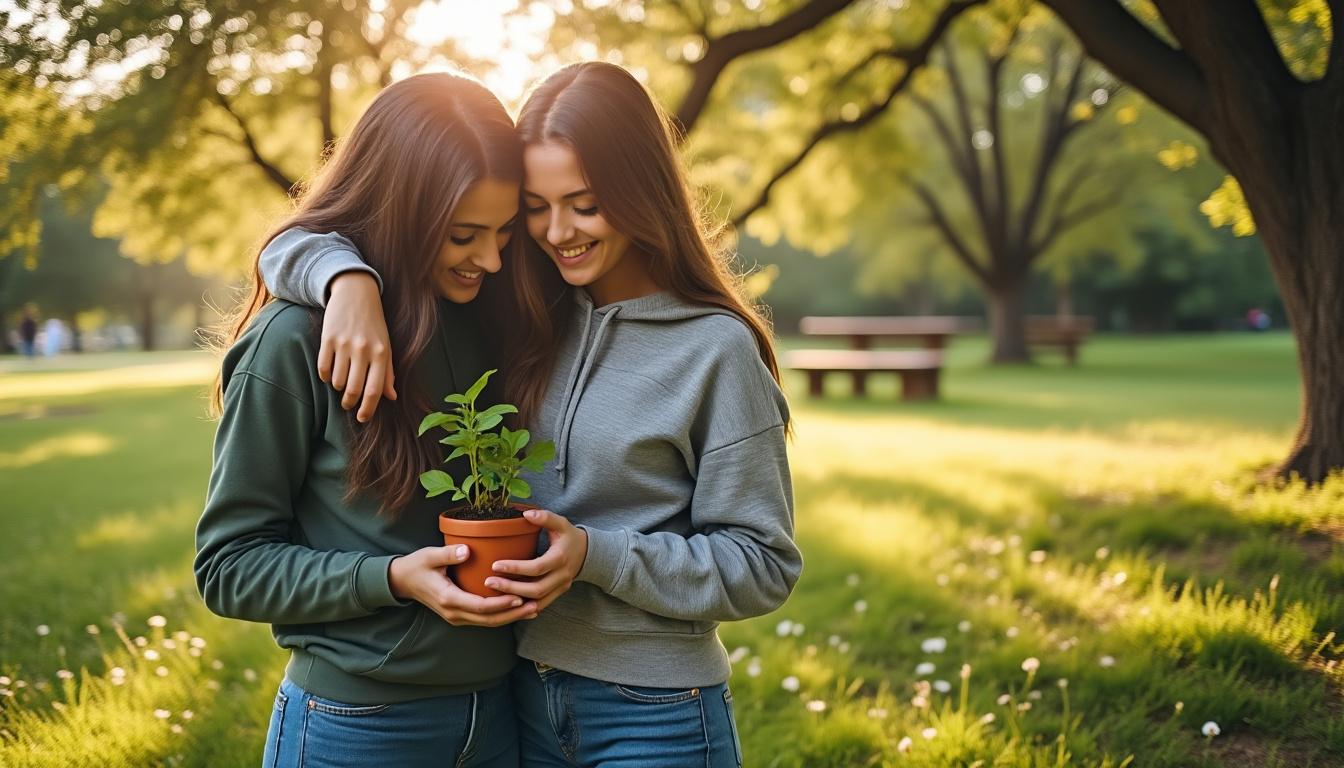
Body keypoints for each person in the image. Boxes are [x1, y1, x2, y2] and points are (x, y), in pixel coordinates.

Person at [259, 61, 802, 767]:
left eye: (583, 203)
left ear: (640, 192)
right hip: (519, 703)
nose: (557, 233)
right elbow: (306, 236)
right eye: (536, 209)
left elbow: (762, 564)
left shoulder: (714, 350)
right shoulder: (522, 313)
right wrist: (347, 278)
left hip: (656, 713)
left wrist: (596, 555)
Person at [195, 72, 586, 768]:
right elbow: (229, 566)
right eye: (463, 234)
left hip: (501, 718)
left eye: (502, 232)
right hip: (357, 727)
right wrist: (391, 578)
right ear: (401, 212)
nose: (491, 258)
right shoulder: (293, 342)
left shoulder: (497, 311)